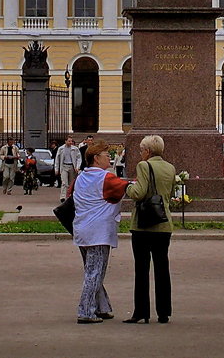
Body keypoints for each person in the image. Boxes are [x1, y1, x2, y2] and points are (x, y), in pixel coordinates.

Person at [70, 139, 129, 324]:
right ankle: (86, 310)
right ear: (96, 158)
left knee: (92, 270)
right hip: (98, 232)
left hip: (81, 229)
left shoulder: (80, 178)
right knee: (95, 273)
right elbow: (126, 187)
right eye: (106, 155)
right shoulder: (106, 178)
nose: (109, 158)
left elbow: (70, 196)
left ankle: (102, 307)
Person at [125, 134, 177, 323]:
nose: (140, 153)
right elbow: (169, 194)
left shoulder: (144, 165)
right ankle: (164, 312)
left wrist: (127, 188)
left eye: (141, 150)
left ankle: (141, 312)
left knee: (142, 269)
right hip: (164, 223)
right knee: (162, 268)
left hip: (144, 225)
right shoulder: (170, 167)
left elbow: (139, 193)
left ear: (147, 151)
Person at [55, 137, 82, 201]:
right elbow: (57, 159)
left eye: (71, 141)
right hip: (64, 166)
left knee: (71, 183)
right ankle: (63, 197)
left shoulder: (75, 149)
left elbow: (79, 158)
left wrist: (77, 167)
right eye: (69, 141)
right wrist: (56, 168)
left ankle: (70, 196)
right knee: (64, 182)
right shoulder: (61, 149)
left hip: (72, 167)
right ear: (65, 141)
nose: (70, 142)